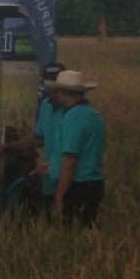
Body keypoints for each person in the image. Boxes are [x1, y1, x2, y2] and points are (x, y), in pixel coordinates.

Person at [0, 62, 66, 212]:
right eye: (49, 85)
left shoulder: (74, 112)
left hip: (68, 177)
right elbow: (37, 138)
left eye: (56, 86)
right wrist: (7, 147)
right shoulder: (46, 106)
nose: (52, 91)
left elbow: (74, 154)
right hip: (50, 176)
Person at [47, 70, 106, 227]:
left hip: (77, 186)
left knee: (69, 234)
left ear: (63, 93)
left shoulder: (73, 117)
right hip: (95, 183)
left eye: (57, 92)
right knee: (86, 230)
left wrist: (59, 198)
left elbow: (70, 160)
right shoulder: (94, 115)